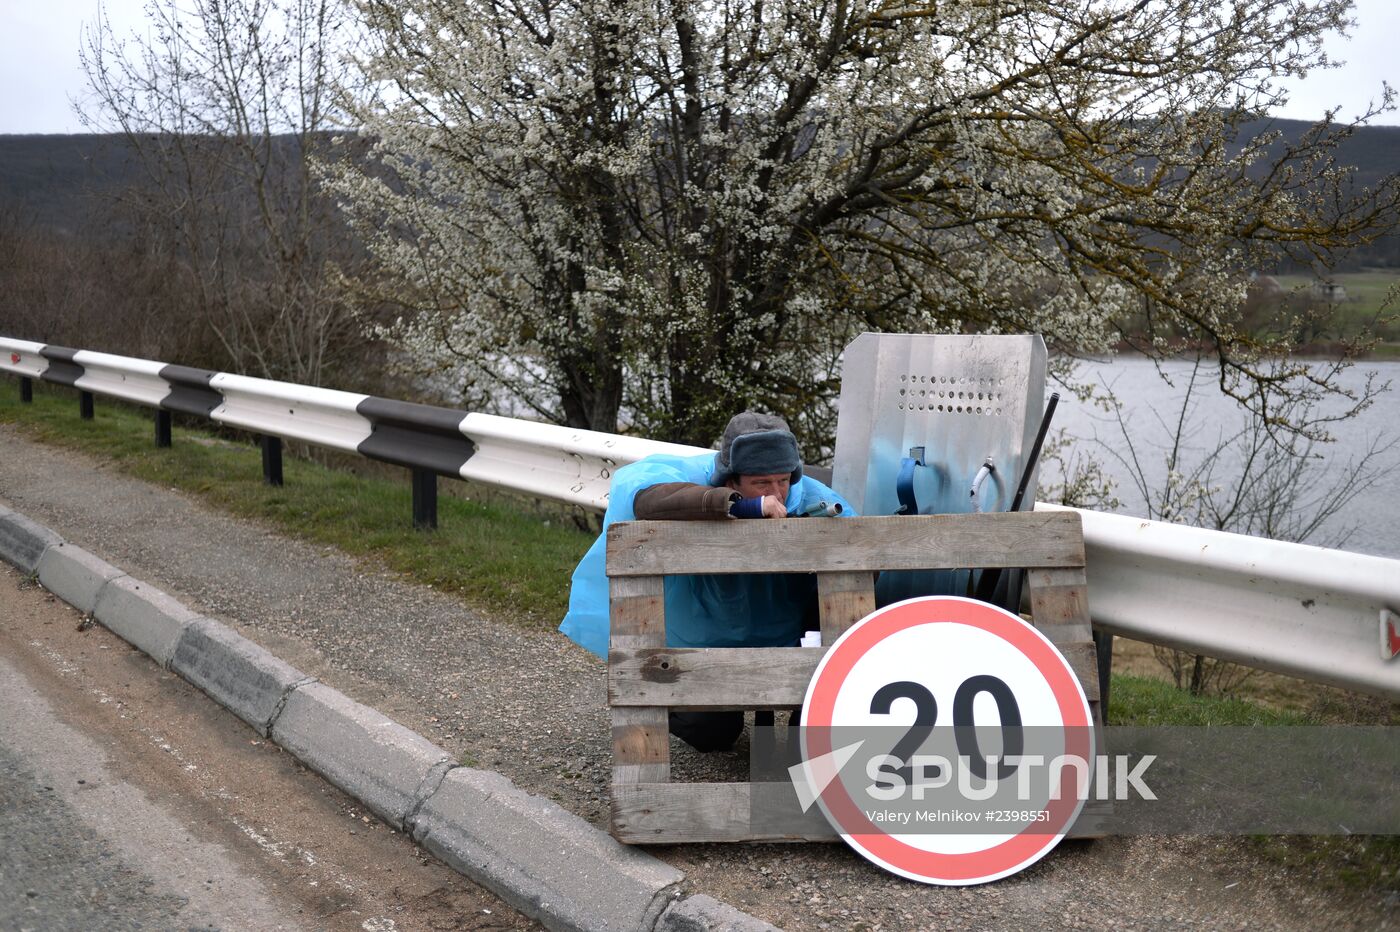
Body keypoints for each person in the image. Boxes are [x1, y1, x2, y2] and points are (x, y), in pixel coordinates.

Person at [559, 412, 856, 751]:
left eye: (783, 481)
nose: (777, 494)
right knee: (713, 733)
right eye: (761, 483)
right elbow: (645, 498)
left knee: (807, 717)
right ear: (731, 481)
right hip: (700, 638)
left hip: (782, 632)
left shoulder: (814, 500)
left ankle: (803, 721)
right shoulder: (690, 475)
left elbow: (863, 560)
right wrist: (746, 508)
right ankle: (670, 701)